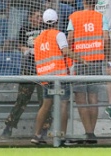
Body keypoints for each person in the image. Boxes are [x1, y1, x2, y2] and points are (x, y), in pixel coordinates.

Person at [32, 9, 85, 146]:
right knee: (63, 105)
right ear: (57, 21)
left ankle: (37, 135)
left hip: (45, 76)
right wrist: (81, 59)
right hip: (60, 76)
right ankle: (61, 137)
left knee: (46, 105)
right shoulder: (58, 34)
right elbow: (65, 51)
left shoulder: (38, 39)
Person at [67, 0, 110, 144]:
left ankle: (88, 132)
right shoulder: (101, 17)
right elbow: (106, 38)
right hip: (96, 60)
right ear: (96, 3)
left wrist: (71, 56)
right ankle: (92, 132)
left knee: (81, 98)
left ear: (84, 1)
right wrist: (108, 56)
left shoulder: (74, 16)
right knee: (93, 98)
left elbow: (69, 39)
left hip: (80, 61)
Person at [2, 9, 47, 138]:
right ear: (30, 17)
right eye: (37, 16)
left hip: (43, 69)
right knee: (22, 99)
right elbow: (19, 45)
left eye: (40, 16)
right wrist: (26, 49)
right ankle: (9, 126)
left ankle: (44, 128)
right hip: (28, 69)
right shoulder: (24, 29)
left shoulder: (45, 29)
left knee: (44, 100)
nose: (39, 19)